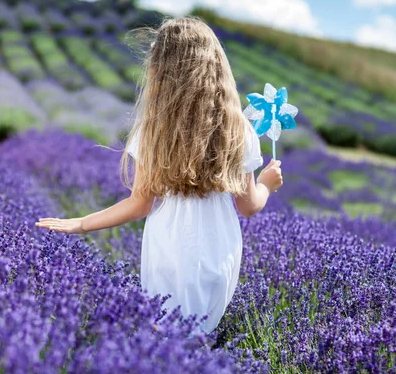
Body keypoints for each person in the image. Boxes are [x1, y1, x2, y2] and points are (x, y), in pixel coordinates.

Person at [36, 17, 283, 334]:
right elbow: (248, 206)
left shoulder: (154, 132)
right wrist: (266, 184)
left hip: (169, 253)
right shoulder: (238, 130)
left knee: (163, 339)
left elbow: (138, 204)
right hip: (220, 255)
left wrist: (82, 223)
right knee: (197, 339)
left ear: (161, 73)